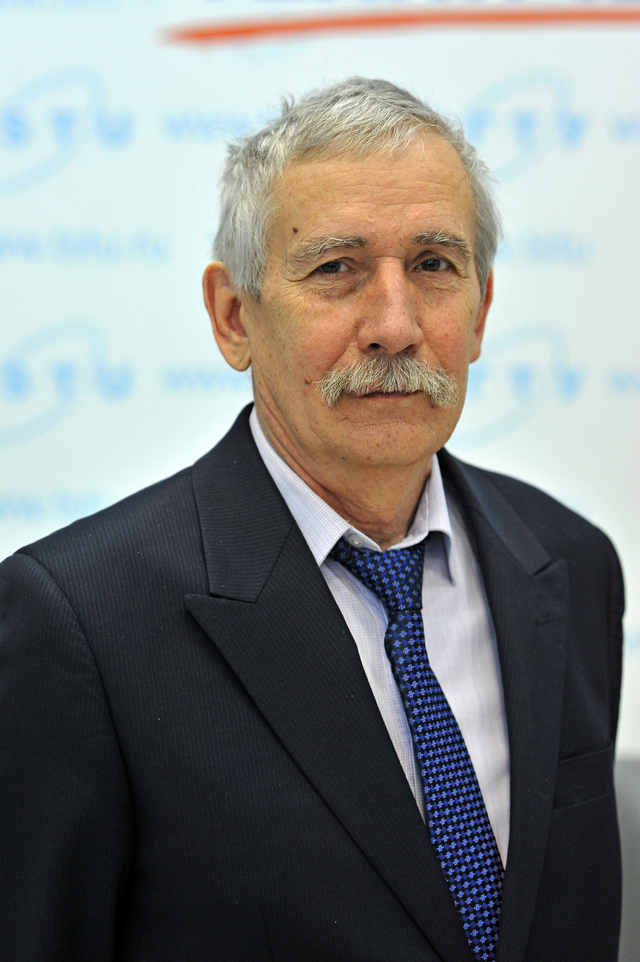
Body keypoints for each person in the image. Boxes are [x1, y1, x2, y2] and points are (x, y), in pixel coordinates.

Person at [0, 78, 623, 962]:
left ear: (482, 310)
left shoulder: (570, 564)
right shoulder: (80, 621)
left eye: (434, 265)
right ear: (233, 317)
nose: (395, 326)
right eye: (336, 268)